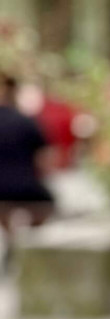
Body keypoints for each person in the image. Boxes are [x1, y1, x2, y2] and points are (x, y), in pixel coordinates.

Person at [0, 73, 54, 254]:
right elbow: (45, 160)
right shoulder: (26, 121)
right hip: (27, 188)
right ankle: (28, 247)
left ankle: (13, 243)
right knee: (47, 207)